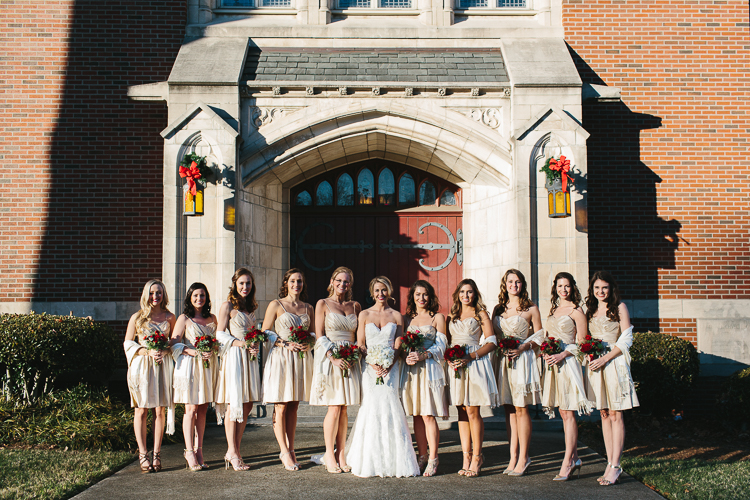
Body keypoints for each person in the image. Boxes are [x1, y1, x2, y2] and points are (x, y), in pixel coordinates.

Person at [346, 276, 420, 478]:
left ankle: (394, 460)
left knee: (390, 406)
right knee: (370, 407)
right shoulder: (364, 314)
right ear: (372, 293)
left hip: (390, 368)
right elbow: (361, 343)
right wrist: (371, 362)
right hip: (370, 369)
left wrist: (389, 364)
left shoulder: (397, 316)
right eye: (377, 291)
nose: (381, 294)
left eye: (384, 290)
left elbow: (398, 345)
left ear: (389, 292)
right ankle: (368, 459)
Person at [585, 271, 639, 486]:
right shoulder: (590, 310)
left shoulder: (619, 308)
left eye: (604, 287)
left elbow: (627, 338)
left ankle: (616, 465)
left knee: (616, 414)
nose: (601, 292)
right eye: (597, 288)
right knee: (604, 413)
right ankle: (609, 462)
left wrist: (606, 358)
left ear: (611, 288)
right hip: (596, 366)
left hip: (614, 363)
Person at [261, 268, 315, 471]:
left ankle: (292, 448)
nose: (296, 285)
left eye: (299, 281)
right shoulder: (276, 305)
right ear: (286, 283)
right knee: (281, 405)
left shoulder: (307, 307)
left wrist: (308, 343)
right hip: (282, 358)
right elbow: (265, 332)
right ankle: (283, 451)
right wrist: (284, 344)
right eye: (293, 281)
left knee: (294, 405)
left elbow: (313, 334)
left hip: (300, 359)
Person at [540, 272, 592, 481]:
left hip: (568, 363)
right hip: (554, 365)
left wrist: (562, 353)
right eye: (560, 286)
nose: (564, 289)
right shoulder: (553, 310)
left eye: (567, 286)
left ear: (572, 288)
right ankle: (576, 457)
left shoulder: (577, 311)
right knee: (563, 412)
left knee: (569, 412)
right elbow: (548, 336)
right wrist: (545, 350)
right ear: (555, 288)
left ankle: (568, 460)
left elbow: (583, 343)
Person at [310, 267, 362, 473]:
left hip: (349, 359)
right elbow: (319, 334)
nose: (343, 284)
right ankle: (329, 455)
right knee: (334, 407)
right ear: (332, 281)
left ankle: (341, 453)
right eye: (339, 280)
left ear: (351, 284)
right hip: (330, 359)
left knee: (344, 408)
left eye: (347, 281)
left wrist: (354, 354)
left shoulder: (355, 306)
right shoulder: (322, 303)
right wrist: (333, 357)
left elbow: (359, 335)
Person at [492, 269, 543, 477]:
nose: (514, 285)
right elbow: (492, 336)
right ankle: (512, 456)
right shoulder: (498, 309)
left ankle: (524, 457)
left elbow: (540, 336)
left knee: (522, 409)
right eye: (510, 281)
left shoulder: (530, 308)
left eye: (518, 282)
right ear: (505, 284)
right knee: (509, 409)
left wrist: (523, 347)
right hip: (503, 361)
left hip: (522, 360)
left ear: (523, 285)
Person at [445, 279, 498, 478]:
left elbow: (492, 341)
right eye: (462, 292)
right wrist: (449, 358)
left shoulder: (481, 313)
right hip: (456, 365)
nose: (466, 296)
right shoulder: (452, 316)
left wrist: (471, 356)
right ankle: (465, 456)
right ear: (457, 294)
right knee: (460, 409)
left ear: (475, 294)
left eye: (469, 292)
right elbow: (447, 342)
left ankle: (477, 456)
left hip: (473, 362)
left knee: (473, 410)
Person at [123, 279, 176, 473]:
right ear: (147, 295)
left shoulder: (170, 317)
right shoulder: (137, 318)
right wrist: (146, 351)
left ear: (163, 295)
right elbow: (128, 344)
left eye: (159, 292)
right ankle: (143, 453)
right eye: (152, 293)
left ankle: (157, 454)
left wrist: (165, 350)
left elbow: (175, 342)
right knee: (141, 410)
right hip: (141, 368)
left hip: (162, 367)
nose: (156, 297)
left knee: (159, 410)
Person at [398, 279, 448, 477]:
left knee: (428, 414)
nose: (422, 298)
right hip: (411, 372)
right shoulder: (407, 319)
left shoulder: (438, 318)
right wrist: (406, 356)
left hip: (428, 369)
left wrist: (424, 355)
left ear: (431, 296)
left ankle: (434, 458)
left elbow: (442, 345)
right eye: (418, 295)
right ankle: (422, 455)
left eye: (425, 294)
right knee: (416, 414)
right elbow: (401, 347)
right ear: (412, 297)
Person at [215, 268, 261, 471]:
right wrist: (241, 344)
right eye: (241, 283)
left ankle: (236, 449)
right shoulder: (228, 306)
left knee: (248, 404)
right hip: (234, 357)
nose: (245, 287)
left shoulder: (251, 307)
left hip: (249, 358)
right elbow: (219, 335)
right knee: (234, 404)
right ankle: (232, 451)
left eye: (248, 283)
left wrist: (255, 343)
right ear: (235, 284)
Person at [171, 282, 218, 471]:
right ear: (190, 298)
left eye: (203, 295)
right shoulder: (184, 318)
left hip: (207, 367)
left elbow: (218, 342)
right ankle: (189, 450)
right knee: (190, 409)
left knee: (203, 409)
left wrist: (212, 348)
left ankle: (200, 450)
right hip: (190, 367)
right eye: (196, 296)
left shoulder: (212, 318)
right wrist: (192, 352)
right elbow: (174, 344)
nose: (199, 299)